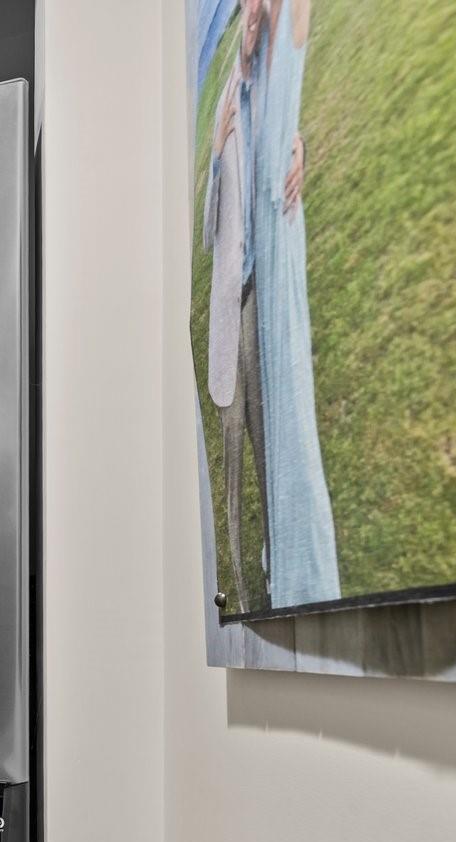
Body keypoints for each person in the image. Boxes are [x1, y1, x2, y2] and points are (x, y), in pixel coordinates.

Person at [251, 0, 342, 606]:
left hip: (277, 229)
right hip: (259, 229)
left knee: (288, 399)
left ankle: (304, 576)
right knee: (269, 408)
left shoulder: (289, 15)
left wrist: (292, 140)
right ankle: (279, 561)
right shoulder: (250, 41)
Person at [202, 0, 271, 612]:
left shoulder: (266, 94)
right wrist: (217, 153)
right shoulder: (229, 100)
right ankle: (239, 589)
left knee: (262, 441)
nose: (251, 26)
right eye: (246, 17)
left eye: (257, 18)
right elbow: (206, 232)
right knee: (231, 450)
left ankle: (273, 572)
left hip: (257, 297)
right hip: (230, 301)